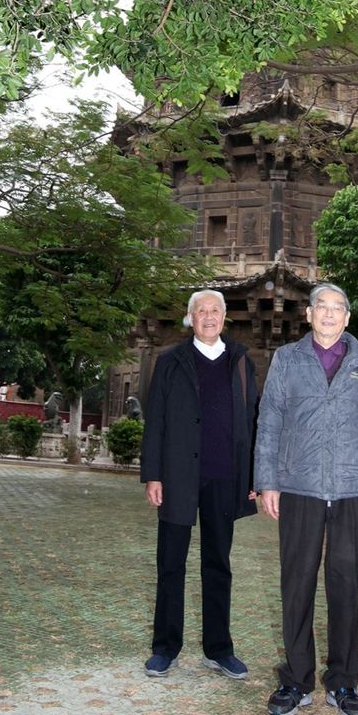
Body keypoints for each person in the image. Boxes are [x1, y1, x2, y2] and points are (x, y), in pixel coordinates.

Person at [254, 283, 358, 715]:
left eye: (338, 308)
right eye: (322, 307)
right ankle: (296, 679)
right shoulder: (287, 359)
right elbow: (270, 420)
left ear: (347, 318)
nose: (330, 314)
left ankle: (344, 681)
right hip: (299, 486)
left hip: (354, 488)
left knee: (345, 586)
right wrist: (267, 481)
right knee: (296, 584)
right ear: (309, 314)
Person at [140, 289, 258, 680]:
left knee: (218, 565)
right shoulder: (171, 361)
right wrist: (153, 474)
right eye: (201, 311)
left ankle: (219, 649)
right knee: (170, 563)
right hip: (177, 476)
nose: (208, 317)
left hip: (224, 476)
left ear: (224, 317)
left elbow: (253, 422)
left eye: (215, 311)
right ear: (191, 318)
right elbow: (155, 421)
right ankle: (165, 648)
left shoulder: (241, 362)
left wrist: (253, 476)